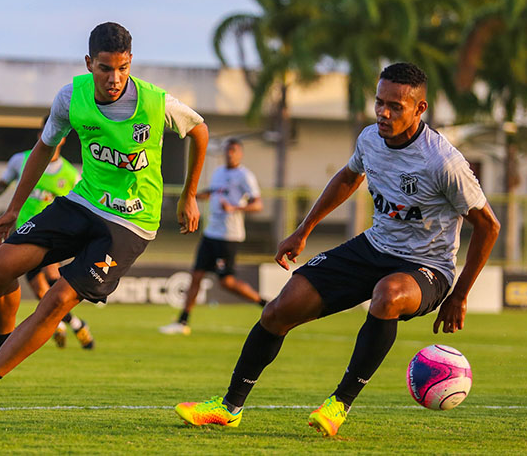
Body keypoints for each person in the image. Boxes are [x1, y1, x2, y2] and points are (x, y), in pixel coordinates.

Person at [175, 63, 500, 436]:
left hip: (426, 267)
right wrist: (303, 230)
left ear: (419, 108)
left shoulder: (443, 162)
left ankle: (338, 405)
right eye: (379, 102)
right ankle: (228, 407)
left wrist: (459, 295)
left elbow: (489, 226)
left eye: (395, 106)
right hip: (373, 247)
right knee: (280, 309)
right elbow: (348, 177)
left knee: (388, 295)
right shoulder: (369, 139)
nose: (383, 112)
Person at [0, 21, 208, 413]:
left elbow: (200, 130)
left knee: (57, 299)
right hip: (83, 203)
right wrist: (13, 209)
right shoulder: (71, 97)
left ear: (131, 63)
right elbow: (43, 148)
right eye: (105, 67)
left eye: (122, 67)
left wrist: (189, 196)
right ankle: (1, 348)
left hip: (129, 224)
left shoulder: (157, 103)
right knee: (0, 267)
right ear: (89, 63)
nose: (114, 77)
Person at [0, 118, 95, 349]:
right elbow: (3, 183)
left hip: (51, 235)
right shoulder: (21, 160)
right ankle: (75, 323)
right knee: (41, 291)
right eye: (44, 131)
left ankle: (64, 324)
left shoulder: (70, 175)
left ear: (63, 138)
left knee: (52, 280)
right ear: (40, 134)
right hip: (22, 234)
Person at [160, 138, 265, 335]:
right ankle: (182, 321)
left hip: (228, 236)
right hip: (210, 234)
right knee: (196, 276)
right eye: (227, 150)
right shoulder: (218, 172)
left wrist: (235, 207)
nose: (229, 154)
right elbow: (214, 193)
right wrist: (196, 196)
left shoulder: (245, 176)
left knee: (226, 282)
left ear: (240, 153)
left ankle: (264, 303)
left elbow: (258, 205)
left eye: (233, 150)